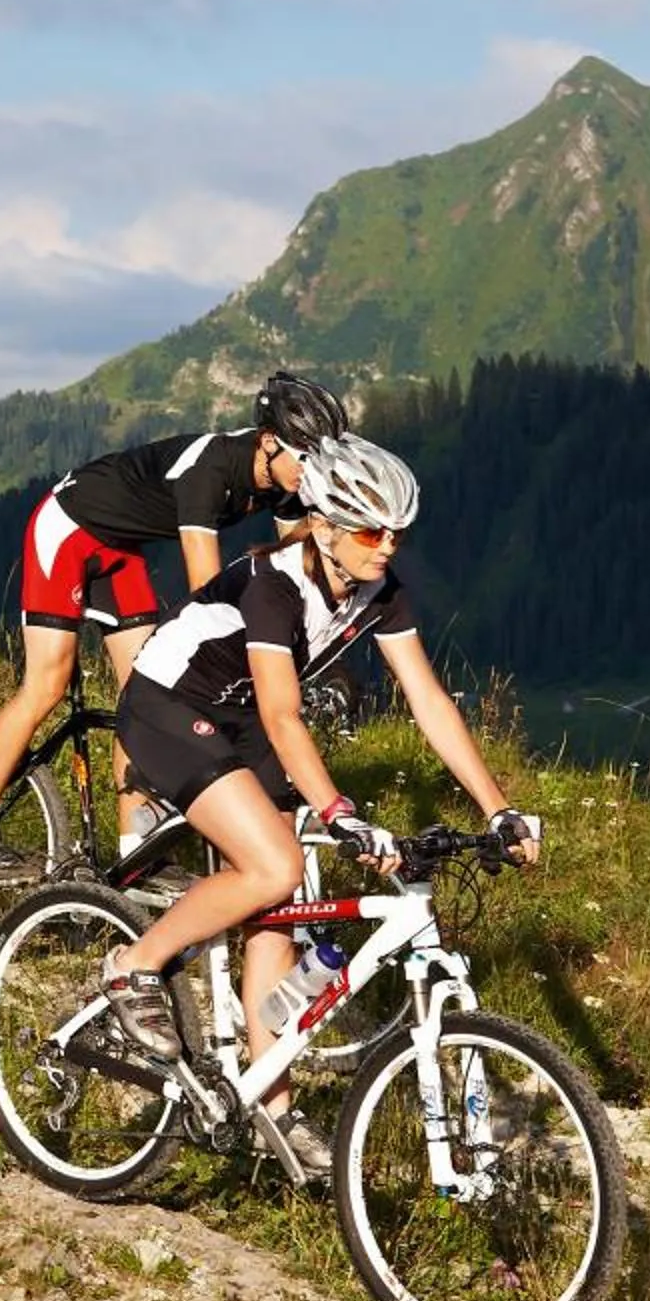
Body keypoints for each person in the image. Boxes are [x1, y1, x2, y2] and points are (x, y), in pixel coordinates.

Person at [89, 432, 541, 1179]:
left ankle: (272, 1103)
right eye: (369, 529)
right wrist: (336, 809)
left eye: (397, 530)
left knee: (281, 918)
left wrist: (498, 807)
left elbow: (427, 699)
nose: (386, 545)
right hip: (170, 706)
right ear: (324, 526)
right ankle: (132, 965)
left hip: (240, 721)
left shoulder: (379, 590)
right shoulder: (272, 583)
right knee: (275, 866)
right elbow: (282, 713)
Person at [0, 371, 349, 885]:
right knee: (48, 682)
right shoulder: (213, 470)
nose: (314, 473)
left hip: (120, 550)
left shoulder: (286, 485)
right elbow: (206, 589)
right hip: (69, 529)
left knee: (147, 690)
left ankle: (138, 845)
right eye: (307, 457)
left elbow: (299, 568)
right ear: (269, 442)